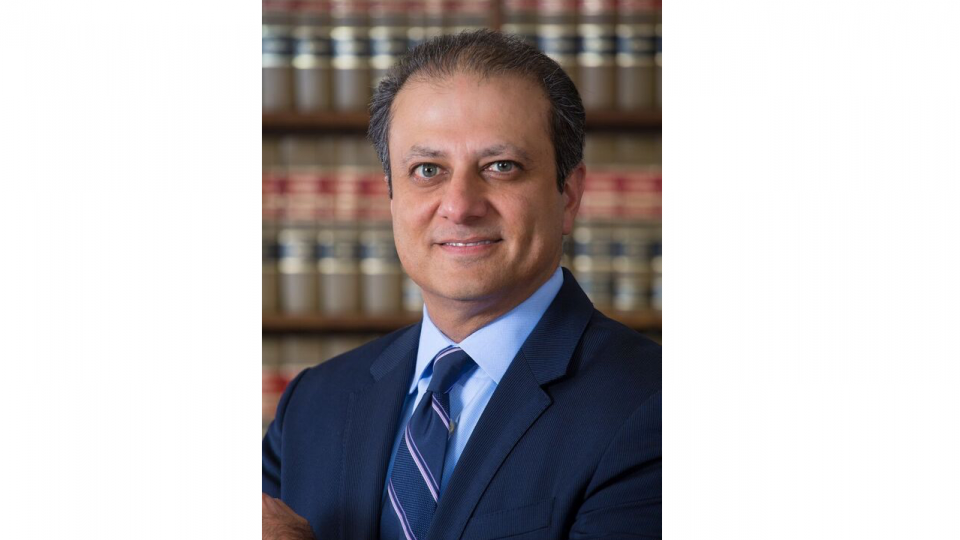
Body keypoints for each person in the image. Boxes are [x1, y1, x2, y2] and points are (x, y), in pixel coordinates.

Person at [262, 29, 661, 540]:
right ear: (391, 200)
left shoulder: (651, 406)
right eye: (427, 170)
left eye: (501, 167)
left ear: (569, 195)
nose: (459, 205)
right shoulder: (314, 403)